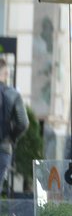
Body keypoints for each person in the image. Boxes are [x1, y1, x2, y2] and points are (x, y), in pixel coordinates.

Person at [0, 58, 28, 189]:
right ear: (5, 74)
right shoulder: (13, 94)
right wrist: (11, 137)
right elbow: (23, 123)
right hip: (3, 147)